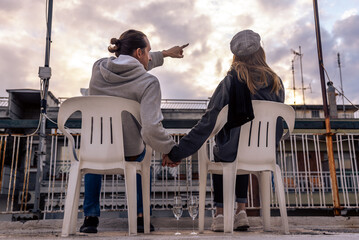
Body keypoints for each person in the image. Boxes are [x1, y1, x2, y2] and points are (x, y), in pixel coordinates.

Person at [162, 29, 285, 232]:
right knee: (243, 144)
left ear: (235, 56)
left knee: (224, 148)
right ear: (260, 52)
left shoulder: (230, 82)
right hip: (265, 152)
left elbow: (207, 123)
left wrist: (177, 152)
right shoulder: (276, 83)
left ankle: (219, 215)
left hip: (233, 153)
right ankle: (241, 211)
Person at [81, 29, 189, 234]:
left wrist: (164, 54)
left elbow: (130, 64)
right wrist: (170, 150)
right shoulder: (148, 83)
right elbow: (151, 129)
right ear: (139, 52)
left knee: (94, 151)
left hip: (97, 149)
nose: (150, 56)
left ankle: (90, 217)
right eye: (148, 51)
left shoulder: (98, 68)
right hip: (129, 150)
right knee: (143, 153)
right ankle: (140, 217)